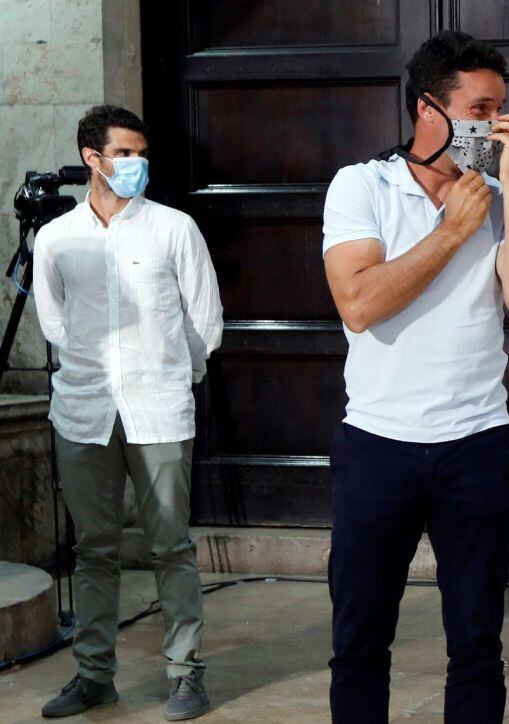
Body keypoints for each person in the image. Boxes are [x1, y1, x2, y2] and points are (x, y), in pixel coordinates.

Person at [321, 31, 509, 723]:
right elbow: (359, 304)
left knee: (477, 643)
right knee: (360, 641)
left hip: (477, 445)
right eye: (482, 109)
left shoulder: (496, 194)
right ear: (430, 109)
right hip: (377, 446)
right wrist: (450, 233)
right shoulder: (362, 185)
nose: (499, 126)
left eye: (503, 108)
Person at [34, 104, 223, 720]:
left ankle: (185, 673)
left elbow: (204, 322)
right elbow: (54, 323)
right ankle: (94, 675)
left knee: (171, 545)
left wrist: (174, 375)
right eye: (123, 153)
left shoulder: (174, 228)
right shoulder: (57, 237)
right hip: (84, 411)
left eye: (142, 153)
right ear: (93, 159)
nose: (136, 164)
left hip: (158, 408)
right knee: (94, 549)